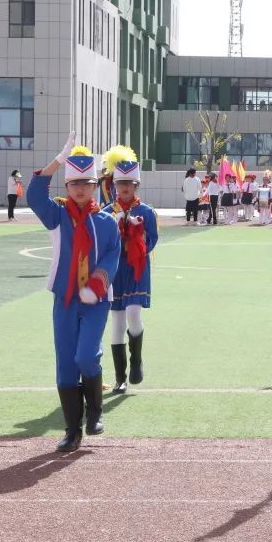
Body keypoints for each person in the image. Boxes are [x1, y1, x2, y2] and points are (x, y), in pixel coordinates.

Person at [26, 132, 121, 453]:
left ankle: (94, 413)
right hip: (65, 299)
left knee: (85, 355)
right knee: (66, 363)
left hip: (95, 301)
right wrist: (56, 160)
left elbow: (112, 255)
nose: (80, 189)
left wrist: (98, 282)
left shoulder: (106, 222)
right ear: (66, 187)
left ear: (95, 186)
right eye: (74, 183)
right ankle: (71, 430)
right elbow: (34, 196)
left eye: (86, 183)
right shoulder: (57, 216)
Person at [106, 160, 158, 395]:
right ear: (114, 184)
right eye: (120, 183)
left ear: (136, 185)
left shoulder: (146, 212)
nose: (124, 187)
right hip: (116, 269)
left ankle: (136, 360)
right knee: (117, 321)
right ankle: (120, 378)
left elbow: (153, 239)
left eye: (129, 183)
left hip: (137, 267)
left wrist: (136, 242)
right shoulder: (108, 212)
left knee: (133, 312)